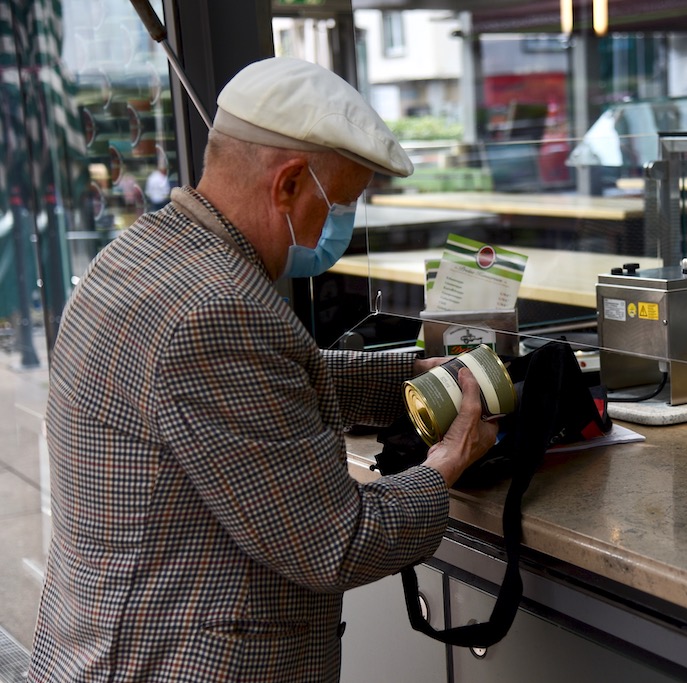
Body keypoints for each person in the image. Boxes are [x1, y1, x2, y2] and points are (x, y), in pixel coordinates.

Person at [29, 56, 498, 682]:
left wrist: (409, 378)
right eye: (339, 204)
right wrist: (448, 462)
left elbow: (253, 386)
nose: (334, 229)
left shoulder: (140, 254)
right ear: (288, 184)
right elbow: (340, 543)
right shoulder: (218, 308)